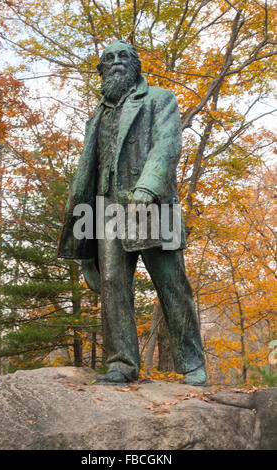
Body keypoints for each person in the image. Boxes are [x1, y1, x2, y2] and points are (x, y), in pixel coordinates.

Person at [58, 40, 206, 385]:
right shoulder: (96, 116)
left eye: (124, 56)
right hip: (107, 207)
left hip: (152, 204)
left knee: (172, 284)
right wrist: (84, 226)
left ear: (135, 64)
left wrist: (148, 186)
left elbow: (167, 145)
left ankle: (192, 364)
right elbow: (89, 172)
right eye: (108, 59)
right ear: (101, 70)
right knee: (112, 284)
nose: (116, 62)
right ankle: (122, 363)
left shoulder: (159, 98)